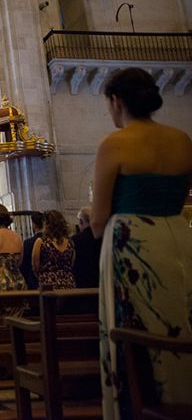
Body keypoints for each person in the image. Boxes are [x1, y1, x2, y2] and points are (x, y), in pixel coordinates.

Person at [90, 68, 192, 418]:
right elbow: (179, 200)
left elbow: (98, 218)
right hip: (180, 237)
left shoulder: (114, 144)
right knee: (181, 322)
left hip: (130, 244)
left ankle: (135, 408)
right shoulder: (182, 140)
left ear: (116, 102)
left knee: (131, 334)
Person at [32, 210, 76, 290]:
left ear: (47, 224)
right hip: (68, 285)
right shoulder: (70, 243)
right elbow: (71, 264)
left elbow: (35, 267)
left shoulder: (41, 242)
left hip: (48, 286)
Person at [71, 207, 100, 288]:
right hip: (99, 280)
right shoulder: (101, 237)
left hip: (81, 280)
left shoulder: (75, 239)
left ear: (81, 221)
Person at [20, 212, 44, 290]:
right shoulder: (51, 240)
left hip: (33, 281)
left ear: (34, 224)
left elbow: (24, 264)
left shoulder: (28, 243)